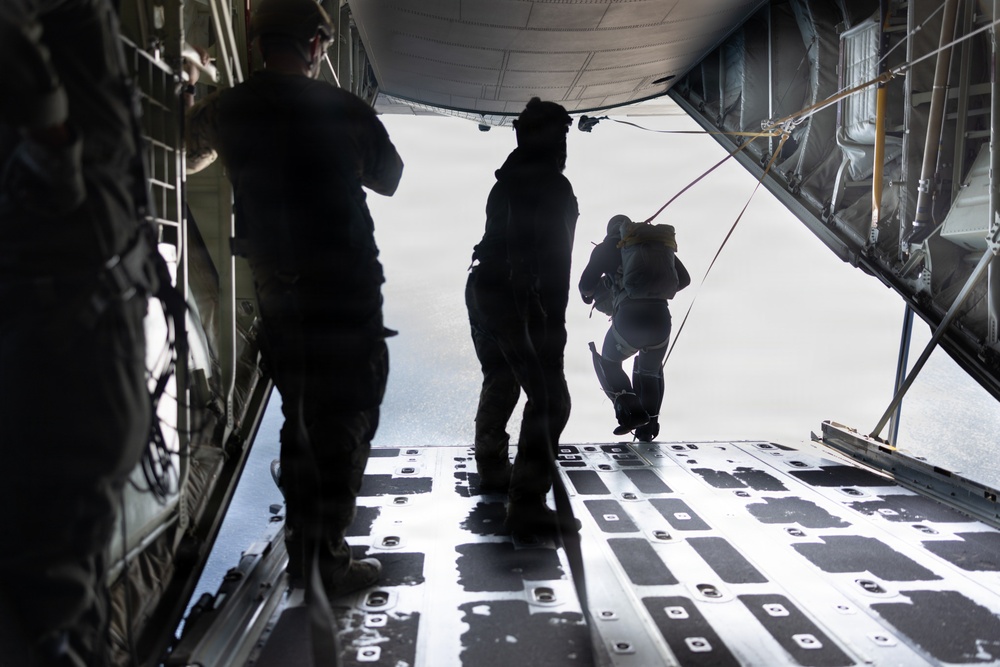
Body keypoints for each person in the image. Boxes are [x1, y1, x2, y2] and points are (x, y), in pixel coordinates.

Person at [185, 0, 403, 597]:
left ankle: (307, 518)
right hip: (345, 296)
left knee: (303, 412)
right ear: (314, 45)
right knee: (347, 417)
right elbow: (389, 177)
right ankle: (323, 561)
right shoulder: (343, 109)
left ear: (259, 43)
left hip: (282, 296)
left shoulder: (228, 110)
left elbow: (186, 154)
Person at [0, 1, 155, 664]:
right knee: (51, 596)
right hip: (68, 329)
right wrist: (53, 147)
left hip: (83, 320)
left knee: (63, 585)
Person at [465, 97, 579, 537]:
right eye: (563, 134)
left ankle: (493, 469)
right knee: (551, 401)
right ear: (551, 138)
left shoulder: (507, 180)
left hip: (483, 287)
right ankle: (527, 505)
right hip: (516, 295)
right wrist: (546, 318)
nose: (565, 144)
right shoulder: (550, 183)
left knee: (501, 378)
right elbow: (545, 255)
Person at [579, 214, 691, 442]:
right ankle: (648, 428)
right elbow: (684, 279)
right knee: (650, 372)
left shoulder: (606, 249)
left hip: (630, 318)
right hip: (661, 319)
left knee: (609, 363)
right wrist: (656, 292)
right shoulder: (656, 246)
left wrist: (591, 295)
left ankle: (632, 411)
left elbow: (585, 285)